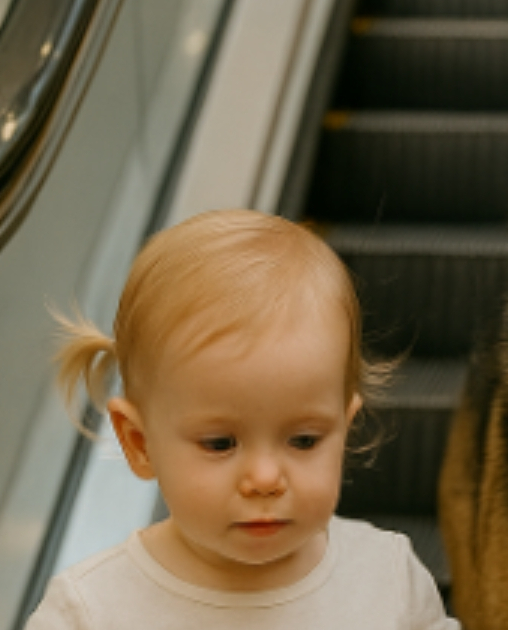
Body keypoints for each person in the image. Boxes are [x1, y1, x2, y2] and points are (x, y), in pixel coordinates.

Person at [28, 209, 458, 629]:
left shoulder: (387, 578)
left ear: (344, 430)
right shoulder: (91, 611)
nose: (265, 479)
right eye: (220, 443)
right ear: (140, 443)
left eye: (304, 440)